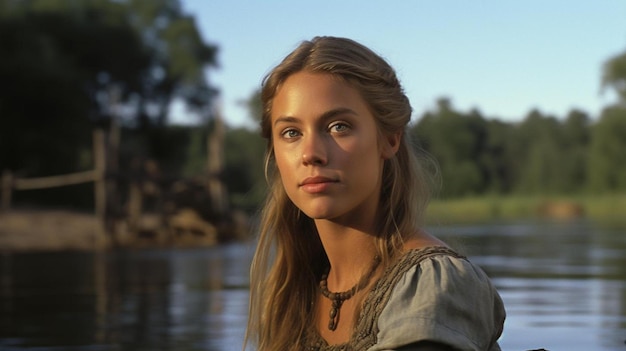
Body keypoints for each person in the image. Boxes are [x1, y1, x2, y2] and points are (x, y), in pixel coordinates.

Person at [244, 36, 505, 351]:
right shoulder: (295, 291)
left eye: (338, 126)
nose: (310, 153)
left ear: (390, 139)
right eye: (291, 133)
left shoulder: (430, 284)